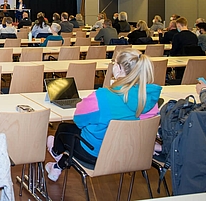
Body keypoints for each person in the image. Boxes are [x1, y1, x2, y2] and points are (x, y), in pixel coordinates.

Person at [45, 49, 161, 181]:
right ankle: (57, 165)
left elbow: (78, 120)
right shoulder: (150, 100)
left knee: (64, 129)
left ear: (118, 68)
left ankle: (55, 152)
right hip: (131, 154)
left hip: (96, 155)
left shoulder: (102, 97)